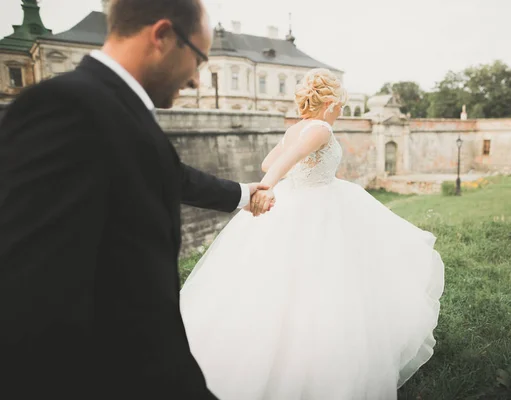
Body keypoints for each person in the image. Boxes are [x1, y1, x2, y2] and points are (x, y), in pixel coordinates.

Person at [0, 0, 270, 398]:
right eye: (198, 59)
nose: (197, 80)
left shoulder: (111, 107)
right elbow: (32, 304)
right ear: (162, 36)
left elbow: (170, 175)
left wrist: (244, 194)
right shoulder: (65, 107)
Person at [180, 68, 445, 399]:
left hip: (298, 197)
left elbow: (267, 161)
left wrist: (275, 175)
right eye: (341, 107)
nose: (341, 113)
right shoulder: (320, 127)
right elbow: (276, 166)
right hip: (319, 202)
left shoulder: (296, 129)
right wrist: (265, 189)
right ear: (331, 103)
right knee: (328, 280)